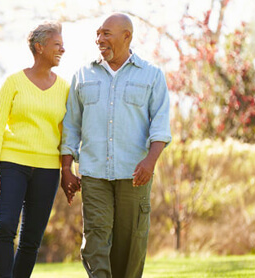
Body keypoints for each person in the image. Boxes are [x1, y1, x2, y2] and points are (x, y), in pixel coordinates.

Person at [60, 13, 172, 278]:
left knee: (129, 245)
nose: (100, 39)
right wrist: (66, 168)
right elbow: (71, 126)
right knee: (95, 242)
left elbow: (161, 125)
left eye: (106, 33)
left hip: (134, 174)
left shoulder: (152, 75)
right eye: (98, 33)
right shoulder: (83, 75)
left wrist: (150, 161)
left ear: (127, 36)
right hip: (94, 174)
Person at [0, 21, 71, 278]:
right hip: (11, 165)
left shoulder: (65, 88)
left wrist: (69, 170)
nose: (63, 50)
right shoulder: (13, 82)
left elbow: (68, 135)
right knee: (5, 227)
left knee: (31, 238)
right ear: (39, 47)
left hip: (47, 169)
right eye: (58, 45)